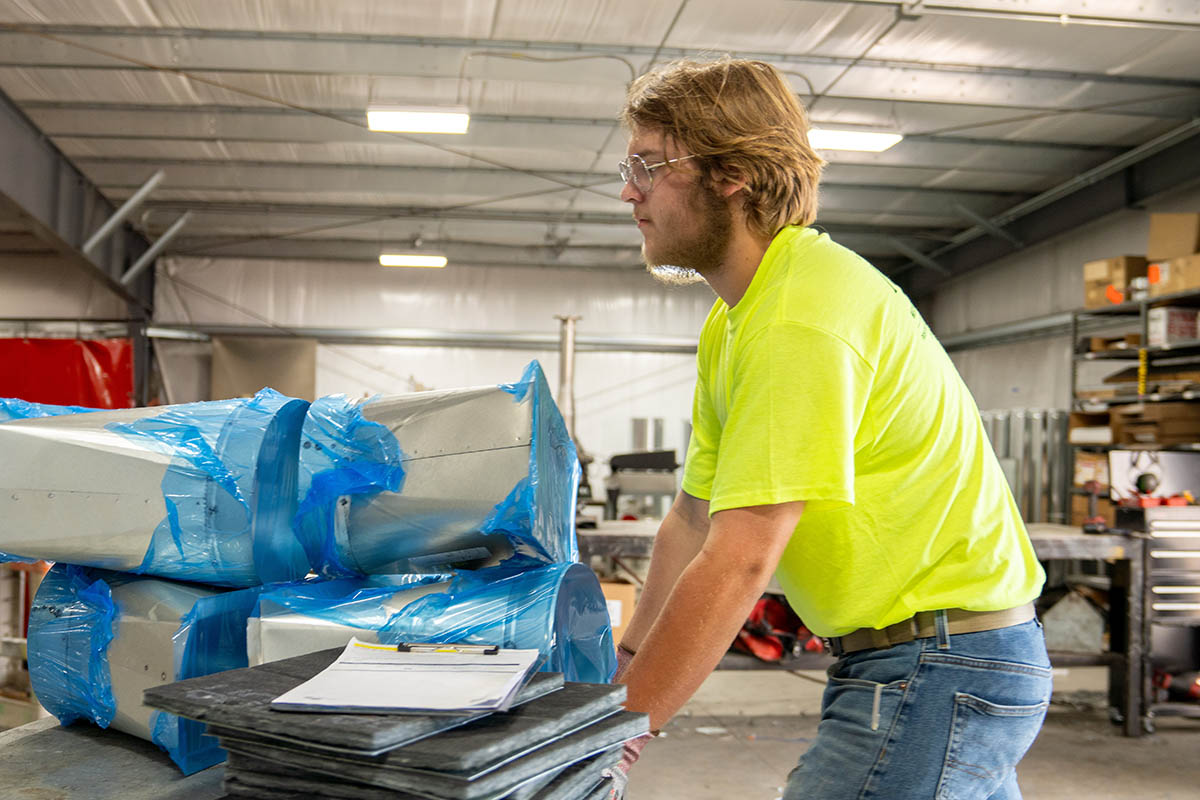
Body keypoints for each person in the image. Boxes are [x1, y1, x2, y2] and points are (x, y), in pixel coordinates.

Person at [608, 57, 1051, 800]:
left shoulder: (797, 317)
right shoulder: (739, 318)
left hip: (938, 663)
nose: (629, 191)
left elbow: (740, 562)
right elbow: (690, 523)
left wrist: (623, 730)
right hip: (937, 659)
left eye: (649, 167)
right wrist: (624, 668)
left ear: (732, 174)